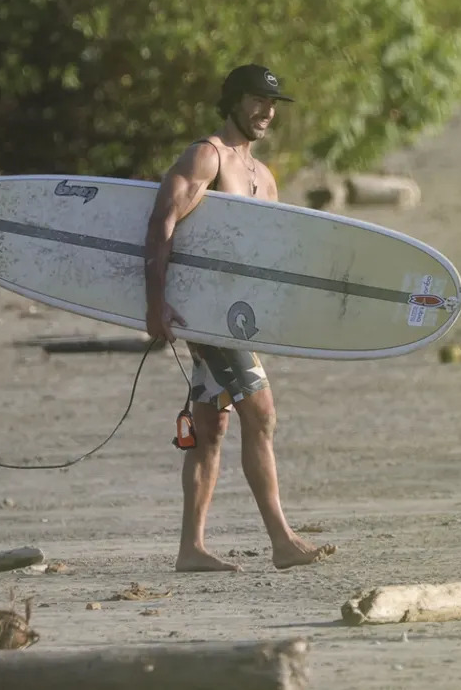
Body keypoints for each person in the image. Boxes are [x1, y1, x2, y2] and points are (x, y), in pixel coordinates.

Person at [143, 64, 338, 572]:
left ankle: (191, 549)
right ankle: (282, 540)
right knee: (262, 413)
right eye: (256, 100)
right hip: (204, 313)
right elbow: (163, 221)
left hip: (238, 318)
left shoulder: (265, 177)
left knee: (210, 429)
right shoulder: (207, 156)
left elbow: (265, 258)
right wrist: (155, 302)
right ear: (232, 101)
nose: (266, 112)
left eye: (271, 104)